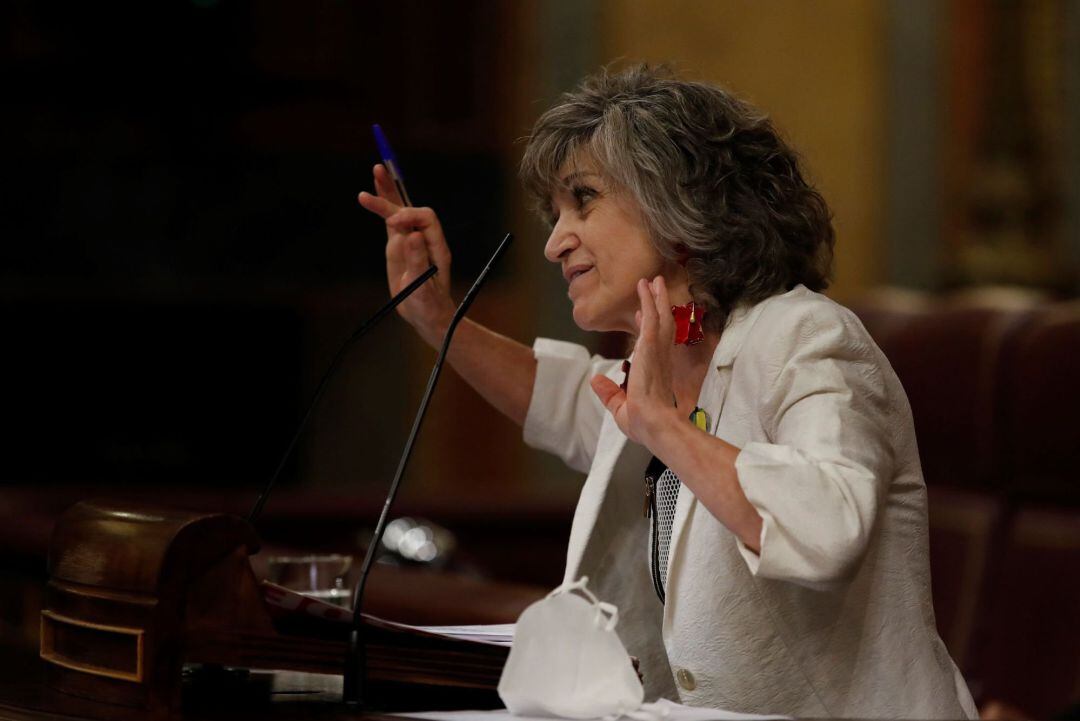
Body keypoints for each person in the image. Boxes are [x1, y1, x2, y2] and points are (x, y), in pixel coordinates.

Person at [358, 65, 977, 719]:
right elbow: (569, 400)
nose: (553, 242)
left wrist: (661, 426)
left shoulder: (807, 337)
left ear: (679, 203)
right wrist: (435, 316)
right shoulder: (658, 363)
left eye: (583, 200)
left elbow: (822, 527)